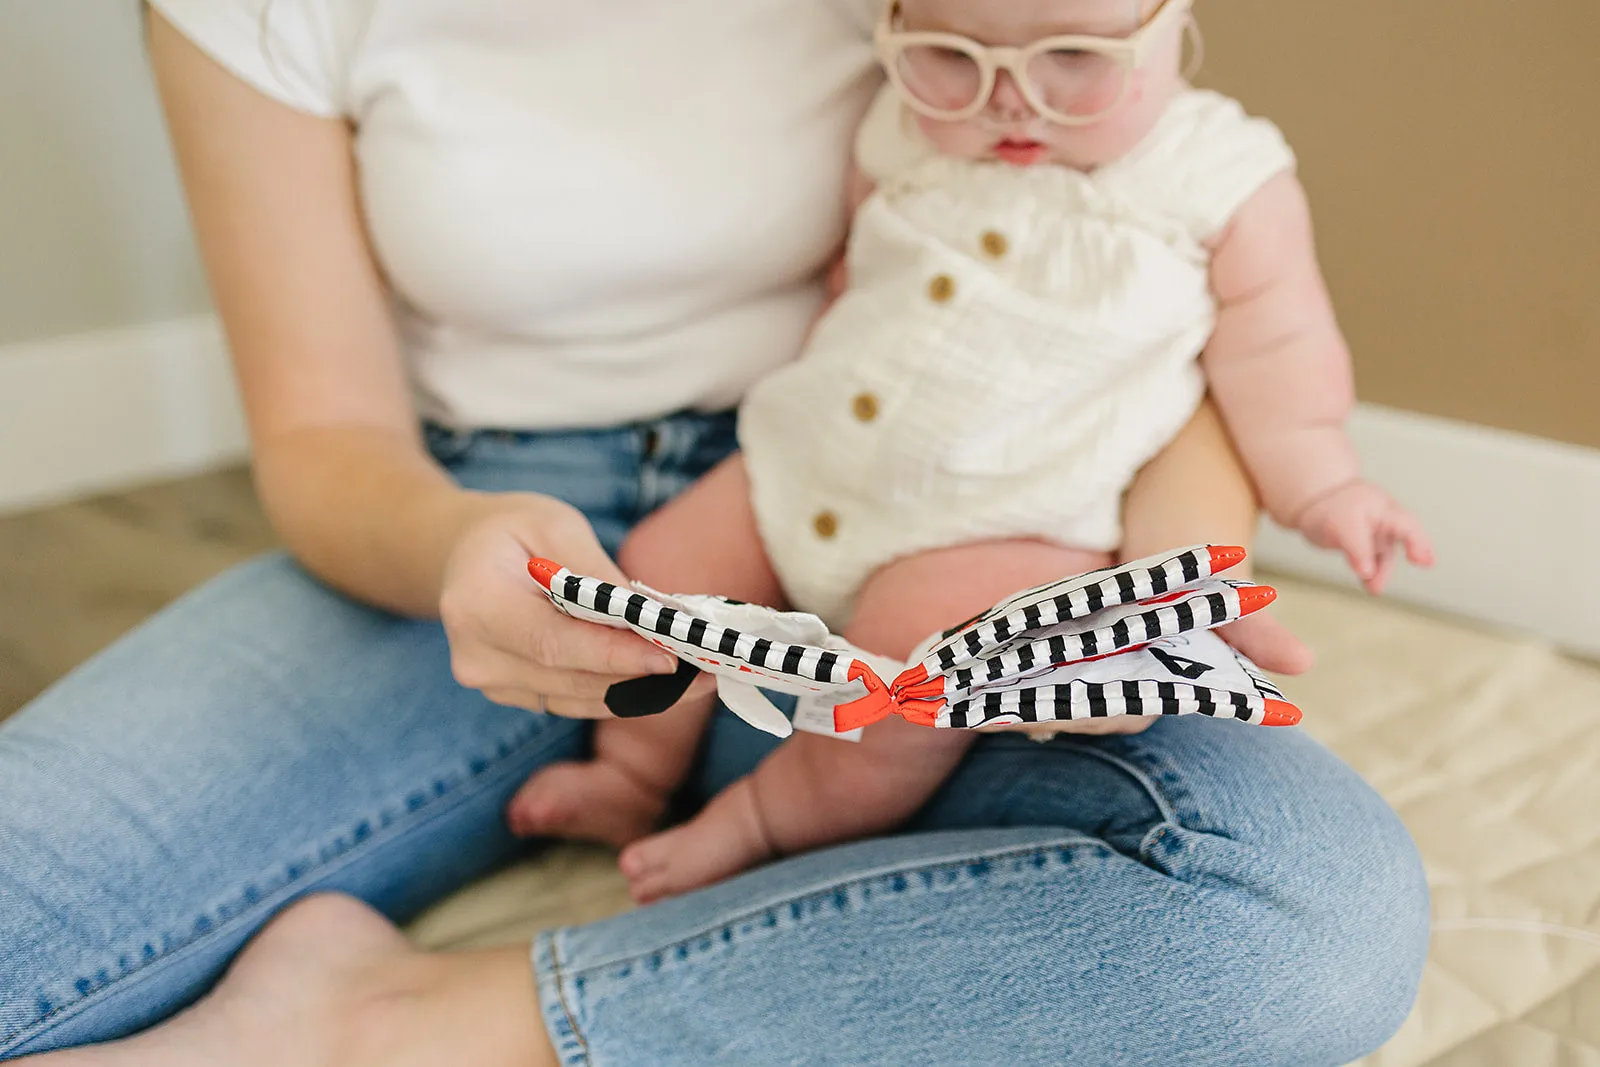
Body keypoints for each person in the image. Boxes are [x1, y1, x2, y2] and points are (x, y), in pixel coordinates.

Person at [0, 1, 1429, 1063]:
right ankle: (619, 786)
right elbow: (322, 439)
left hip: (906, 544)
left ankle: (406, 1023)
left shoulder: (1084, 89)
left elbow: (1132, 306)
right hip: (471, 530)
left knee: (1294, 902)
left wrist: (1165, 565)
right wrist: (464, 542)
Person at [551, 0, 1435, 905]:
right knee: (661, 567)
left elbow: (1277, 356)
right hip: (809, 457)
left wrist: (1327, 485)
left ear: (1176, 24)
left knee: (904, 687)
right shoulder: (898, 134)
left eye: (1075, 60)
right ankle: (632, 772)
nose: (1012, 100)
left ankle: (758, 823)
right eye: (949, 56)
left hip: (1004, 522)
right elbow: (860, 278)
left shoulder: (1218, 177)